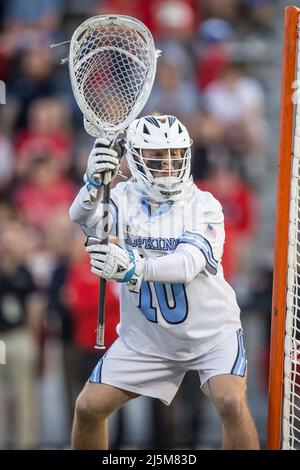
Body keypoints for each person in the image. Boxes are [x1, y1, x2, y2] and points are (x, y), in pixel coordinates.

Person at [69, 114, 259, 450]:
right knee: (87, 408)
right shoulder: (123, 196)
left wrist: (131, 267)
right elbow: (83, 217)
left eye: (175, 154)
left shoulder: (204, 204)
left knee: (231, 402)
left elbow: (187, 265)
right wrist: (92, 183)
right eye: (158, 157)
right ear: (136, 158)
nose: (169, 164)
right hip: (147, 339)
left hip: (210, 334)